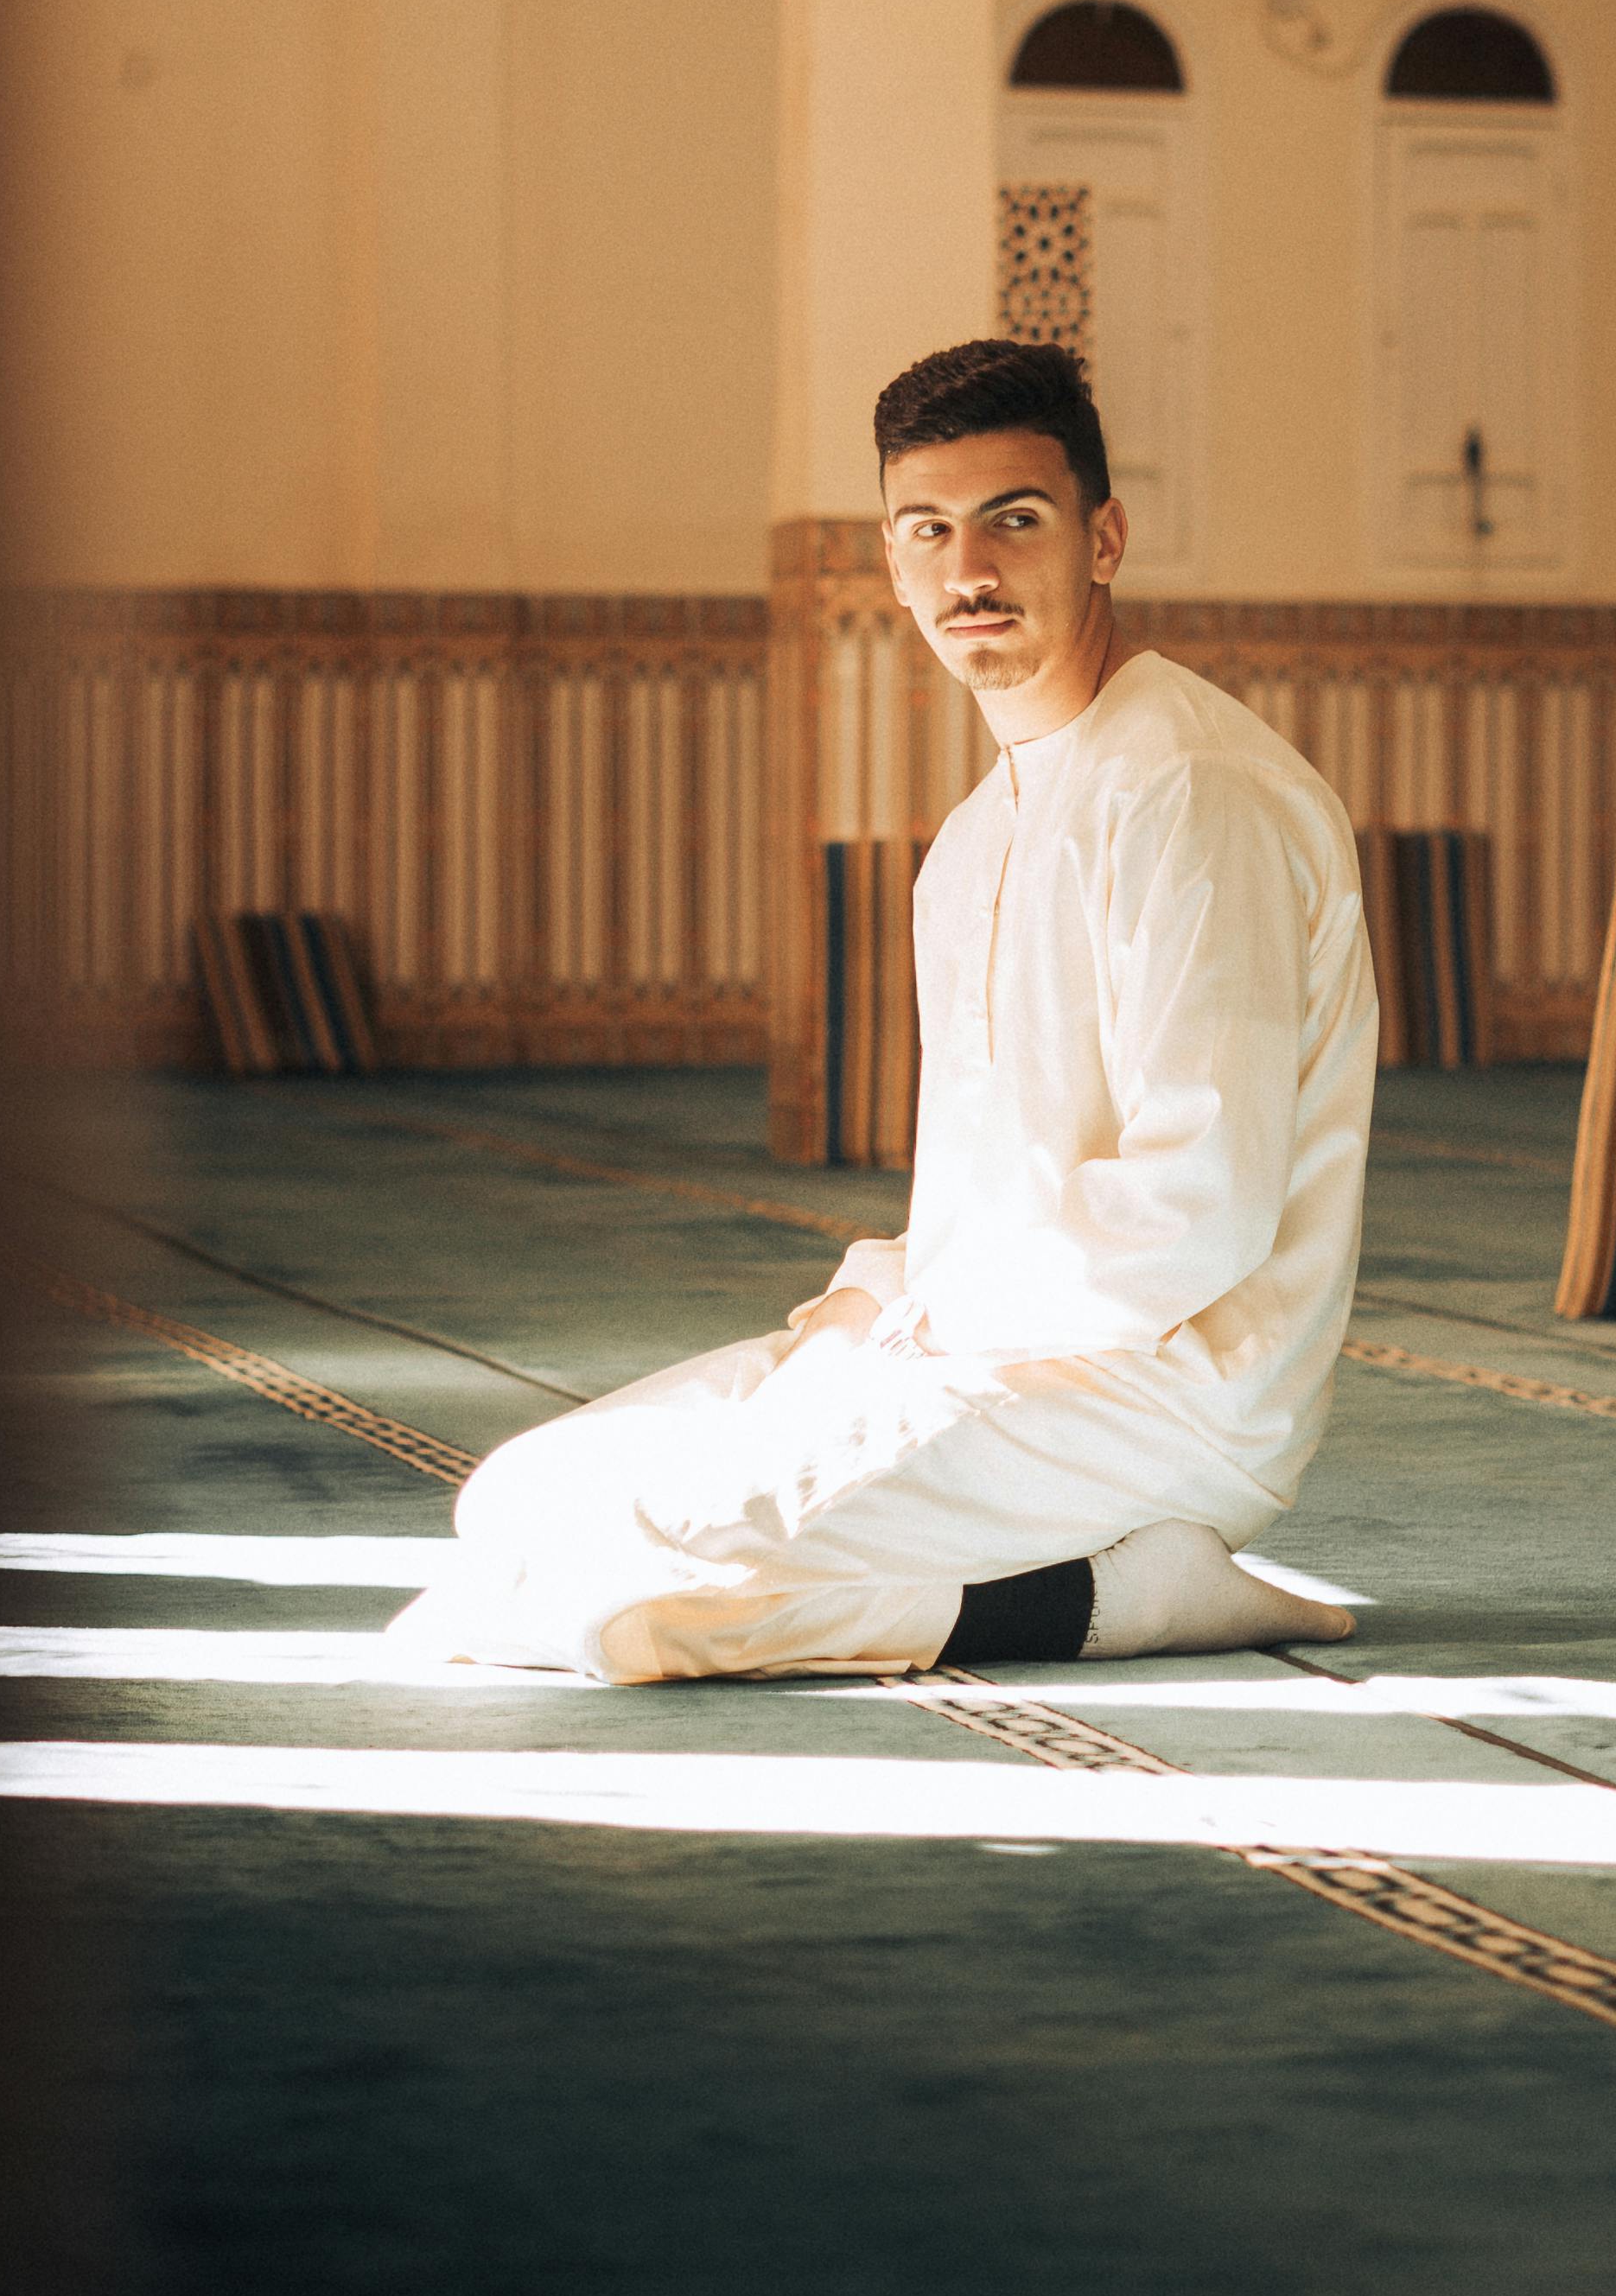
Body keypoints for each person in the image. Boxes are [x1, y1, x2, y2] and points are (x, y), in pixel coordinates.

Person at [391, 335, 1376, 1681]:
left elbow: (1197, 1209)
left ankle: (1138, 1594)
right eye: (932, 531)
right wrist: (878, 1307)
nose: (971, 571)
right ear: (894, 566)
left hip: (1159, 1397)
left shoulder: (1192, 794)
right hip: (965, 1348)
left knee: (647, 1564)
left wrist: (928, 1326)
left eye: (1015, 523)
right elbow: (991, 1188)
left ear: (1106, 537)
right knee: (516, 1500)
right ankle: (1075, 1584)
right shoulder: (974, 838)